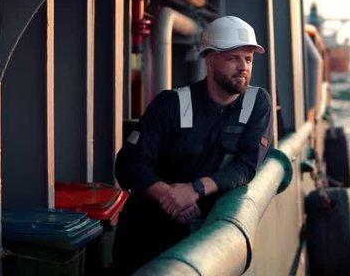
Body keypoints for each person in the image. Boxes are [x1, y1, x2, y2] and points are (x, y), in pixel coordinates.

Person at [112, 16, 273, 275]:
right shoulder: (171, 104)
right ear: (210, 62)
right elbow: (129, 163)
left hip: (202, 238)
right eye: (233, 58)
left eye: (248, 59)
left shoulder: (257, 103)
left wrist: (195, 189)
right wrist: (168, 195)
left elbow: (246, 166)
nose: (243, 66)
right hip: (145, 235)